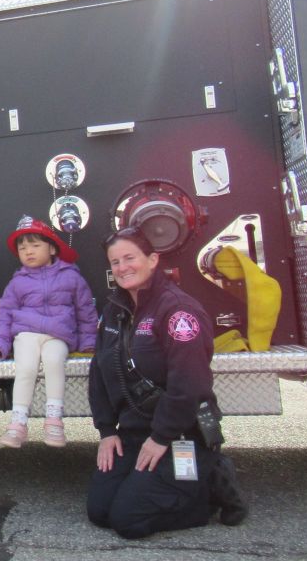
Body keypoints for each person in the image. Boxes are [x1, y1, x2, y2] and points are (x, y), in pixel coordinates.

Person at [88, 226, 249, 538]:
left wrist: (161, 437)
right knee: (100, 510)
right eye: (115, 262)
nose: (123, 268)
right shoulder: (114, 311)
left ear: (152, 259)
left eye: (129, 258)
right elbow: (99, 373)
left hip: (179, 435)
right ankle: (163, 484)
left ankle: (211, 483)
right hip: (134, 435)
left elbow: (191, 384)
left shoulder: (177, 310)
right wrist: (106, 431)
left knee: (128, 521)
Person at [0, 216, 97, 448]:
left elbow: (86, 311)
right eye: (22, 248)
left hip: (58, 335)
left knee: (54, 361)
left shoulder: (71, 277)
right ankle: (18, 423)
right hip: (26, 334)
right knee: (25, 368)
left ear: (52, 247)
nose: (28, 251)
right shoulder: (17, 282)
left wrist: (89, 342)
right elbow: (5, 315)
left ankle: (54, 420)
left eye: (35, 245)